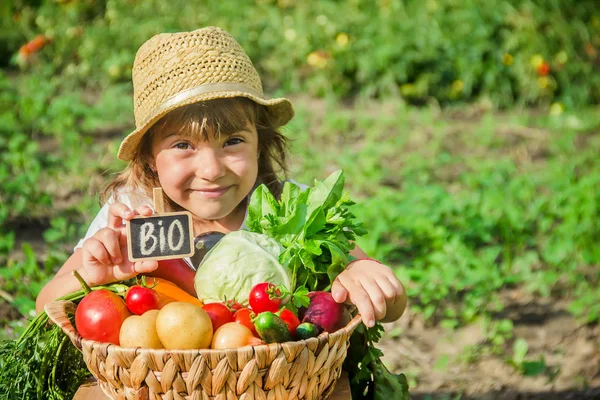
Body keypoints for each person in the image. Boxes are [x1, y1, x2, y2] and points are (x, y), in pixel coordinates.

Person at [35, 26, 407, 328]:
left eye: (232, 141)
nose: (212, 170)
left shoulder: (293, 209)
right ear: (149, 156)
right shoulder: (135, 216)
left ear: (260, 142)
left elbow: (393, 305)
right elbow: (44, 306)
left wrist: (362, 273)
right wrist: (93, 275)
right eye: (183, 145)